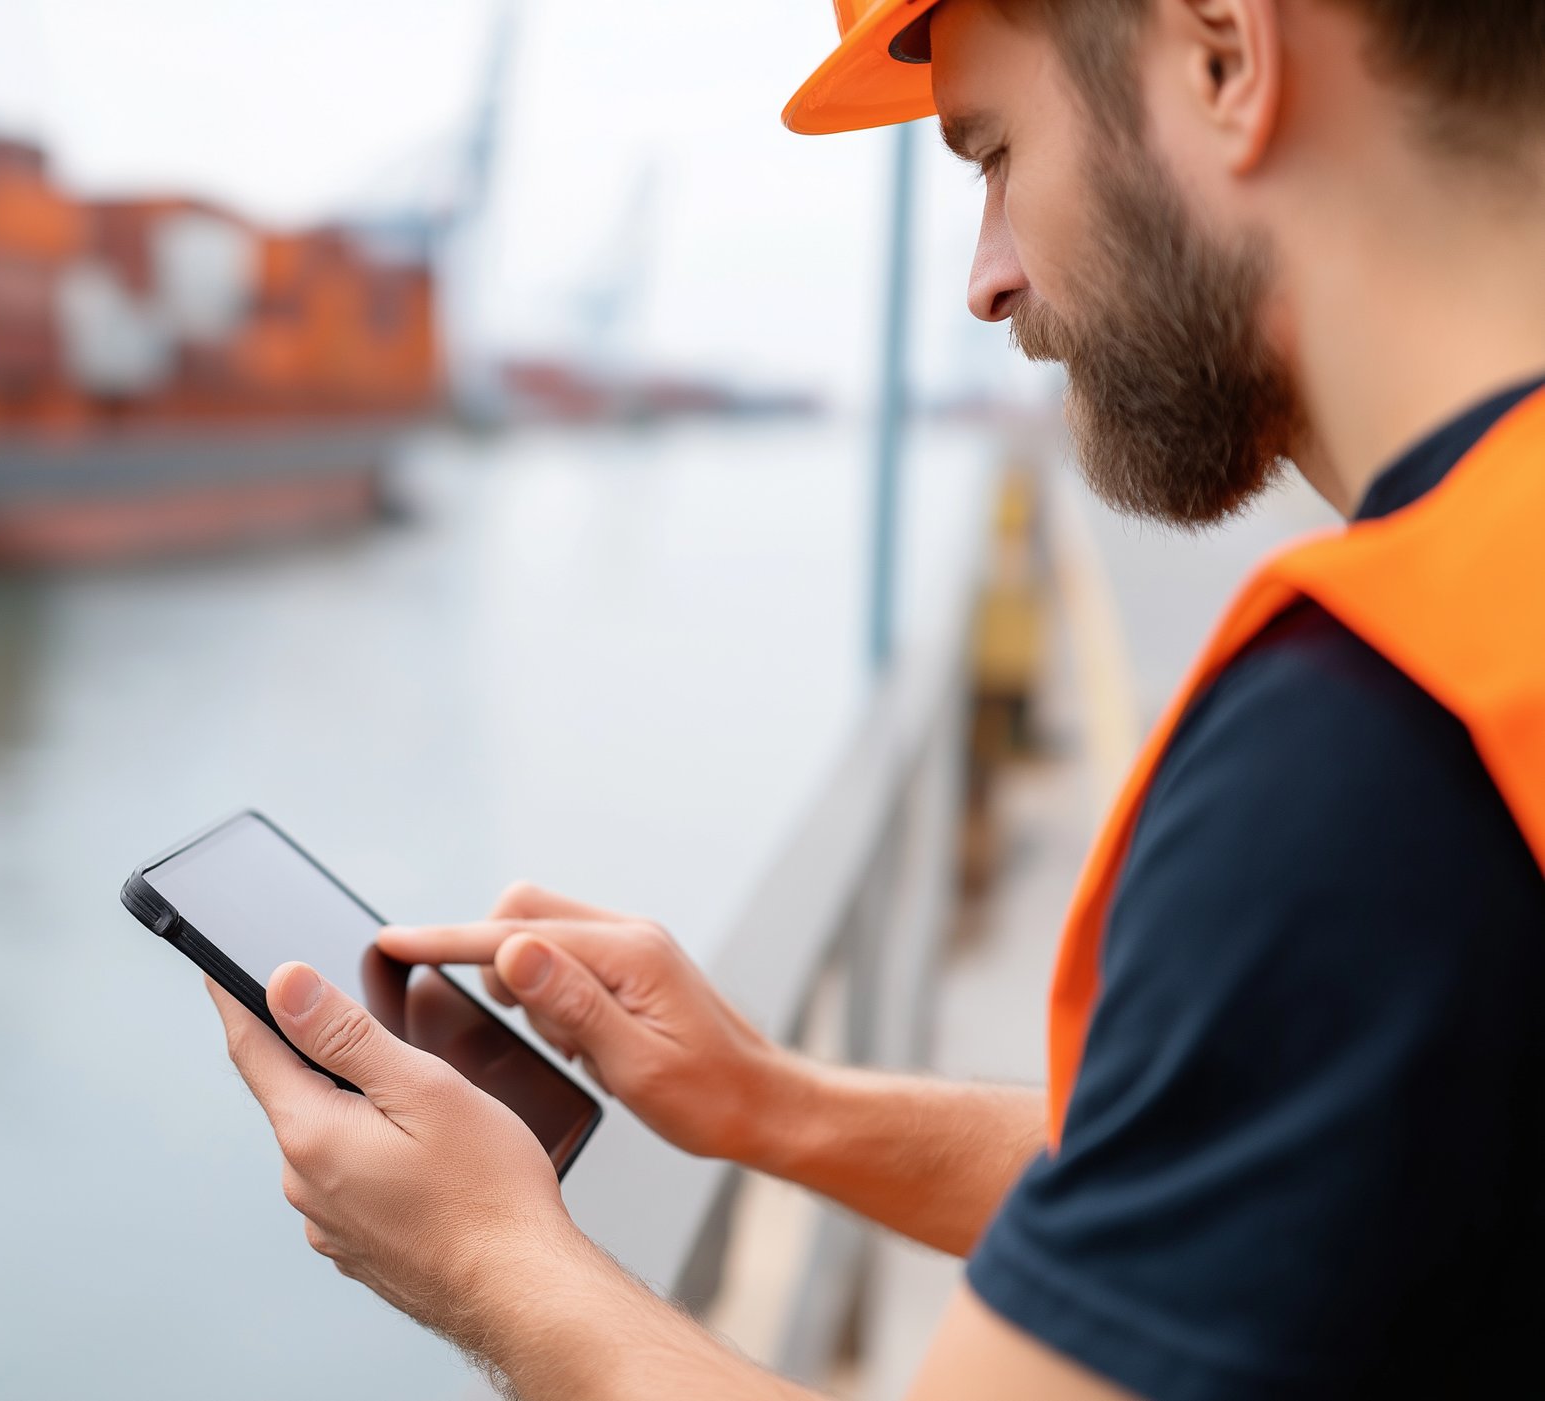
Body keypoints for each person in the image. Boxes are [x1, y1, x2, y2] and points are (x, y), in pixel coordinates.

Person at [205, 1, 1545, 1397]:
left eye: (997, 154)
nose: (988, 280)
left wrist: (491, 1264)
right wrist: (771, 1105)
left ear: (1224, 50)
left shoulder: (1375, 747)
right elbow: (1267, 1167)